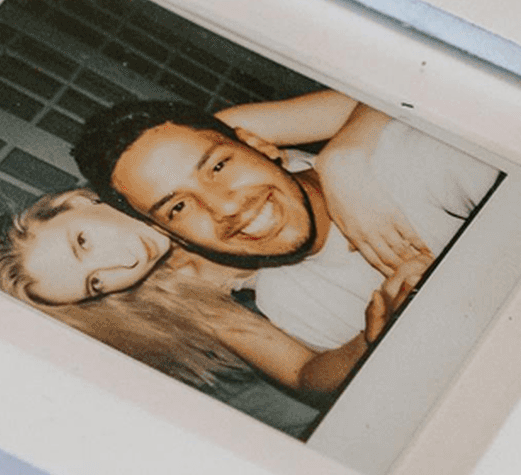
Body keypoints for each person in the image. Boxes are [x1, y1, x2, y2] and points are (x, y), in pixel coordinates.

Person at [72, 92, 499, 352]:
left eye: (218, 166)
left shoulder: (416, 161)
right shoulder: (290, 309)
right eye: (178, 208)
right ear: (170, 234)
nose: (223, 207)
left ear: (258, 143)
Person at [0, 188, 415, 402]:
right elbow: (303, 376)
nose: (122, 263)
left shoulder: (167, 166)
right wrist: (370, 335)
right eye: (95, 284)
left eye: (83, 241)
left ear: (76, 202)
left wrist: (342, 161)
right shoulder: (180, 290)